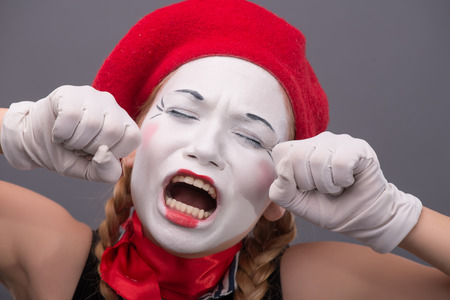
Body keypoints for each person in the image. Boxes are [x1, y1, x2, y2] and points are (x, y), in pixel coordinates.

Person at [0, 0, 449, 299]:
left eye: (252, 137)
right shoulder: (52, 255)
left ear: (278, 192)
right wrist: (9, 130)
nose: (207, 147)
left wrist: (396, 217)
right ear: (129, 144)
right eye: (181, 112)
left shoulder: (313, 285)